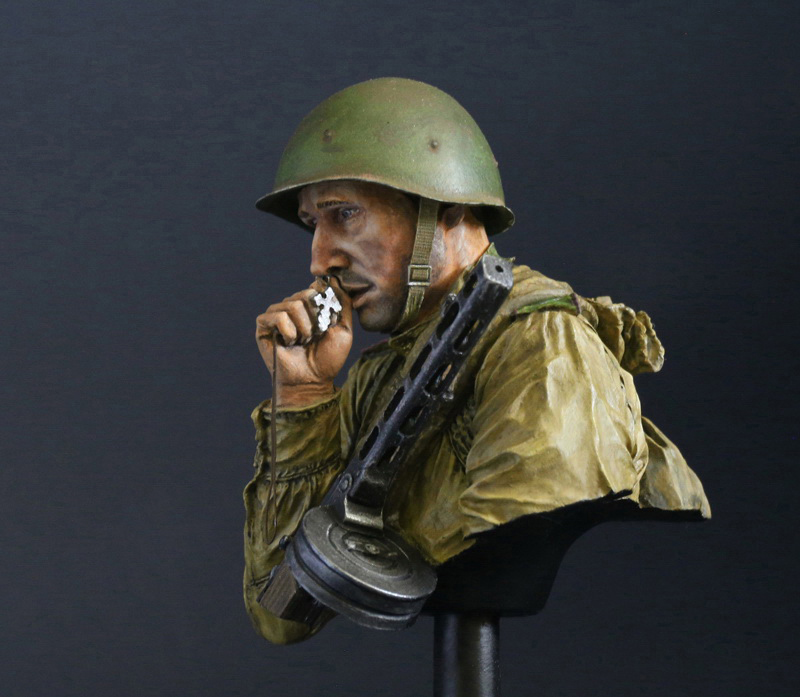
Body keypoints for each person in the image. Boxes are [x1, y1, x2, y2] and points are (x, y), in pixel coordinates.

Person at [243, 78, 710, 645]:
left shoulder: (543, 347)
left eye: (345, 214)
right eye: (313, 224)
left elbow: (529, 509)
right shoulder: (381, 374)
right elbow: (282, 613)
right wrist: (303, 397)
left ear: (445, 211)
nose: (320, 259)